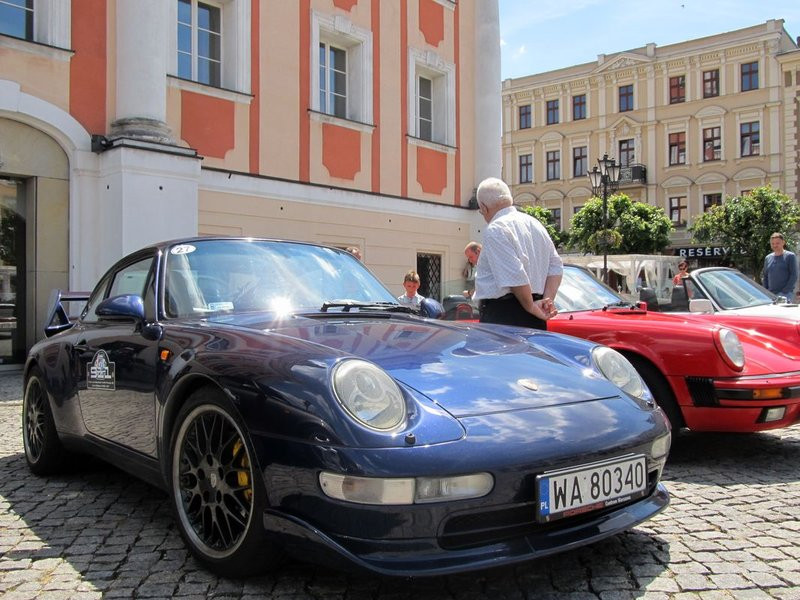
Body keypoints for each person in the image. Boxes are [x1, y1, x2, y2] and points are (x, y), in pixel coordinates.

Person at [473, 177, 562, 330]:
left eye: (481, 212)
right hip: (534, 312)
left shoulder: (496, 228)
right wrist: (546, 302)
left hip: (505, 315)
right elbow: (556, 267)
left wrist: (531, 307)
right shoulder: (535, 224)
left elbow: (515, 275)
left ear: (484, 207)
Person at [762, 232, 798, 299]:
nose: (775, 245)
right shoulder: (768, 258)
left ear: (783, 242)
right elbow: (765, 276)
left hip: (785, 295)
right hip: (770, 294)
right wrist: (766, 291)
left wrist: (784, 292)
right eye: (772, 243)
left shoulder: (790, 256)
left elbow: (794, 275)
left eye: (777, 243)